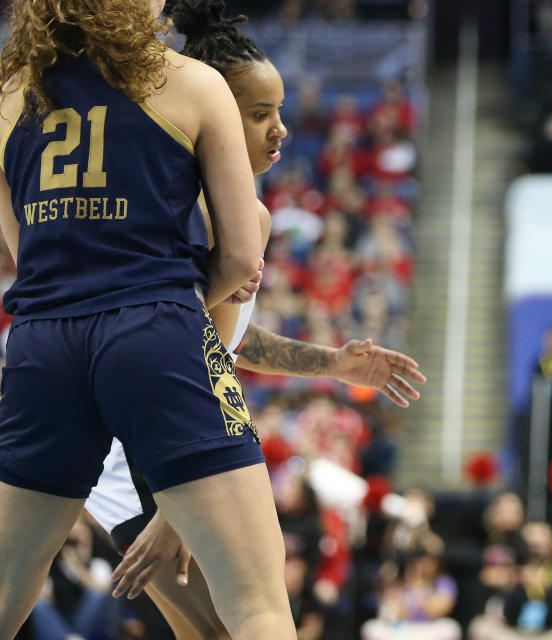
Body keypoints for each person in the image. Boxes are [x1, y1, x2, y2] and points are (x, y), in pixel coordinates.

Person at [78, 0, 425, 636]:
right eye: (260, 114)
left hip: (142, 440)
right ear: (210, 113)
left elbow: (212, 338)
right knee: (248, 623)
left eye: (281, 112)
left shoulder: (199, 200)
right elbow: (180, 351)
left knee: (208, 630)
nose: (281, 130)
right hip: (149, 450)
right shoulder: (222, 216)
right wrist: (177, 509)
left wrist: (329, 363)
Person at [0, 0, 299, 637]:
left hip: (41, 346)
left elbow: (28, 259)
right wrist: (175, 302)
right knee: (255, 605)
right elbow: (243, 256)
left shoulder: (7, 98)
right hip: (156, 329)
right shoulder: (190, 82)